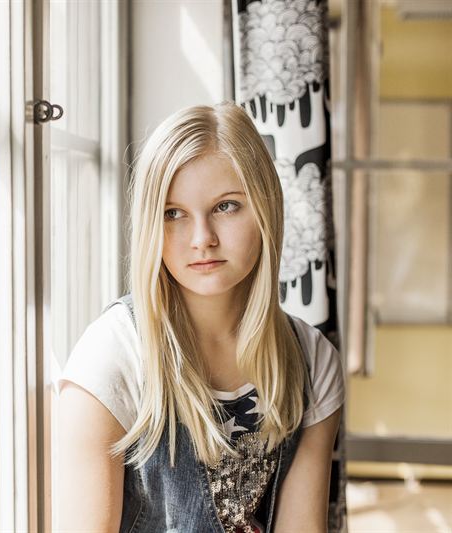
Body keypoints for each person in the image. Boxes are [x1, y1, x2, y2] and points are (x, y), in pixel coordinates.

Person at [57, 102, 344, 532]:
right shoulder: (112, 357)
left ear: (266, 209)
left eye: (226, 206)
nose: (202, 239)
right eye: (173, 214)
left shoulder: (312, 362)